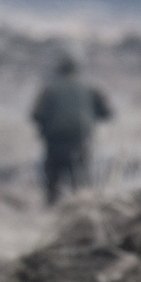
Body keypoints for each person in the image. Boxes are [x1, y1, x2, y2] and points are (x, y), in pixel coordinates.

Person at [30, 52, 112, 205]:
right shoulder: (89, 89)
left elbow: (36, 114)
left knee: (52, 183)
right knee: (80, 183)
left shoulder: (50, 89)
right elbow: (107, 113)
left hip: (54, 143)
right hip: (80, 141)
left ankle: (51, 214)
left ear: (59, 69)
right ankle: (80, 212)